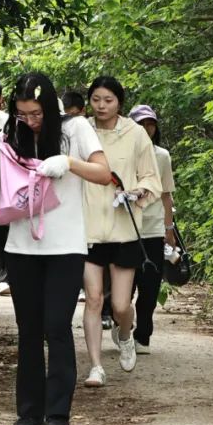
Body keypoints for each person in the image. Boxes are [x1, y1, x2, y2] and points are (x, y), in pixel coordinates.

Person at [0, 74, 110, 425]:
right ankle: (29, 410)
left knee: (56, 327)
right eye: (23, 114)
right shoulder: (13, 129)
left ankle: (58, 414)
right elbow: (0, 182)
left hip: (65, 246)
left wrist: (68, 163)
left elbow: (103, 173)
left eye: (36, 113)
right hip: (22, 246)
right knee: (28, 329)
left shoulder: (76, 127)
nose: (31, 121)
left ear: (49, 106)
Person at [81, 76, 161, 388]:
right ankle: (96, 367)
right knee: (93, 299)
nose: (101, 106)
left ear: (120, 103)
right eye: (96, 99)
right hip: (87, 227)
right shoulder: (80, 130)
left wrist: (137, 191)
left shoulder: (135, 133)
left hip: (124, 228)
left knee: (121, 306)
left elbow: (151, 178)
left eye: (108, 100)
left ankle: (125, 334)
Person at [127, 104, 176, 354]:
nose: (146, 129)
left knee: (150, 286)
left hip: (153, 229)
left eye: (150, 124)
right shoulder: (121, 154)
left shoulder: (162, 156)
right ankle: (123, 324)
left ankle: (143, 336)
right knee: (123, 290)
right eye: (141, 124)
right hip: (124, 229)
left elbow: (166, 194)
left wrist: (169, 229)